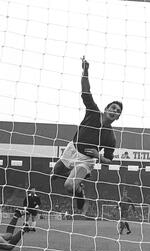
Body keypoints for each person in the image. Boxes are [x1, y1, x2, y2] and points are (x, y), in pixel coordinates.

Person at [50, 56, 122, 214]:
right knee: (54, 173)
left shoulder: (111, 137)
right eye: (113, 108)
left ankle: (79, 192)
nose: (115, 111)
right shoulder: (93, 112)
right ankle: (76, 181)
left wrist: (98, 156)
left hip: (86, 160)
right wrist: (85, 70)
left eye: (118, 111)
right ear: (106, 109)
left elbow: (109, 159)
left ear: (117, 117)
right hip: (71, 150)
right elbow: (85, 91)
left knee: (69, 186)